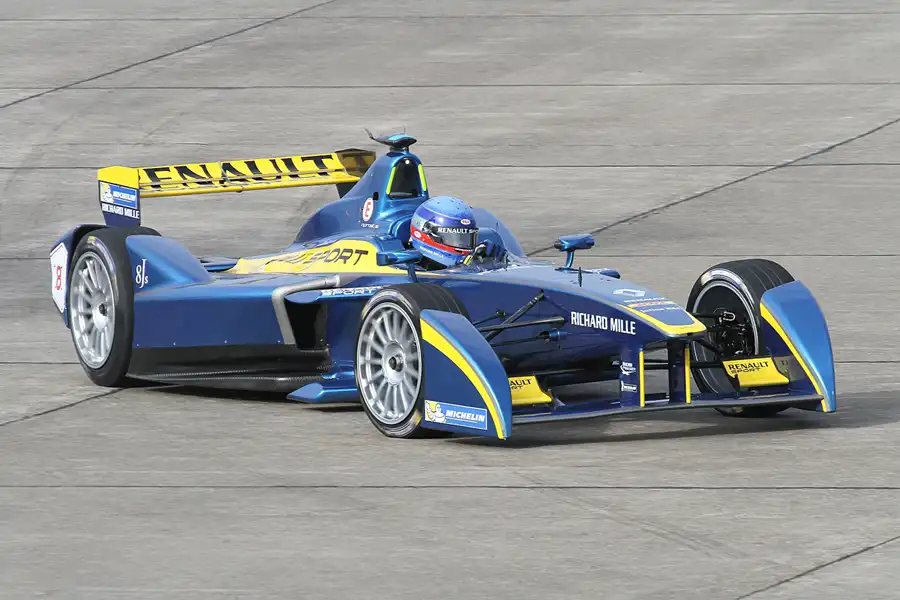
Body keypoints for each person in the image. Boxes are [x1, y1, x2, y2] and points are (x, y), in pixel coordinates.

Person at [409, 196, 501, 270]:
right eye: (452, 237)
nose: (462, 246)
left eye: (466, 238)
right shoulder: (408, 271)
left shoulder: (473, 259)